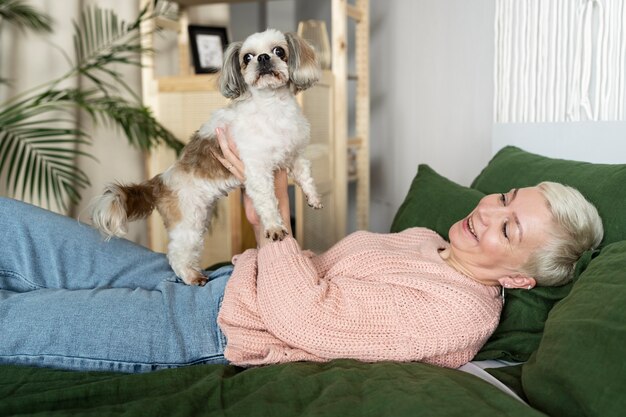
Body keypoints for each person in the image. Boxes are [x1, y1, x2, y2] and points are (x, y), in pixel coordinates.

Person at [0, 129, 603, 373]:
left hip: (205, 328)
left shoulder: (457, 316)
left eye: (508, 230)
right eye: (502, 198)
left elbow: (307, 319)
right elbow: (318, 277)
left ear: (523, 279)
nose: (487, 213)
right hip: (204, 278)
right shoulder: (427, 241)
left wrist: (274, 219)